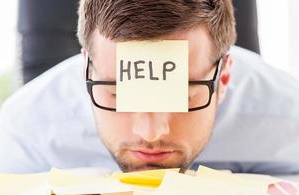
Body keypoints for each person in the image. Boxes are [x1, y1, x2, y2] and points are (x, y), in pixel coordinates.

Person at [75, 0, 236, 172]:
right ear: (87, 71)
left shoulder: (267, 131)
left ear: (223, 78)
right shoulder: (44, 144)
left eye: (183, 96)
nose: (150, 134)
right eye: (118, 95)